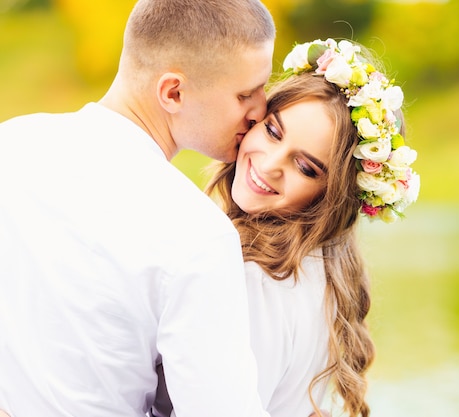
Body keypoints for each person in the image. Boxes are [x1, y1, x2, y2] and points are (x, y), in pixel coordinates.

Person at [0, 1, 275, 416]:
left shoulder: (11, 144)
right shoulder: (198, 233)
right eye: (245, 94)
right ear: (173, 92)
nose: (260, 110)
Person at [152, 38, 420, 417]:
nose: (270, 163)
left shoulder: (254, 275)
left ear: (331, 196)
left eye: (306, 167)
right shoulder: (324, 268)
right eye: (274, 132)